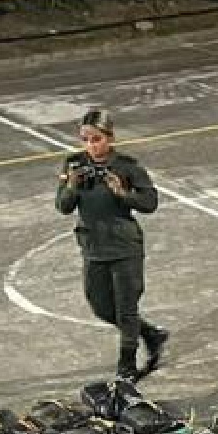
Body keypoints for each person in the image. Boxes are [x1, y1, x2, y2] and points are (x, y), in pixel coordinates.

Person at [55, 109, 169, 381]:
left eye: (97, 139)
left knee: (126, 308)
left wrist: (123, 193)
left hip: (123, 246)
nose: (91, 146)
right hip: (93, 246)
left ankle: (127, 366)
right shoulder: (73, 164)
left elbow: (150, 203)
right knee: (101, 306)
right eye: (86, 140)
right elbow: (63, 207)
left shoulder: (127, 166)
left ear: (110, 138)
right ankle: (150, 334)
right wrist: (71, 186)